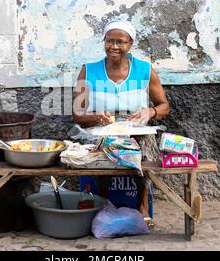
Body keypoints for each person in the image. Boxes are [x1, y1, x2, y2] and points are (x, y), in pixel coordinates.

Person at [72, 17, 170, 228]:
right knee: (102, 148)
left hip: (136, 128)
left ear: (130, 44)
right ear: (104, 42)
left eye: (120, 42)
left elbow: (164, 106)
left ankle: (142, 205)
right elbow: (77, 114)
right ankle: (102, 203)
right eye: (109, 41)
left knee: (144, 147)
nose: (114, 46)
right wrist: (97, 116)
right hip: (99, 129)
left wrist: (149, 111)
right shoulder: (88, 70)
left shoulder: (145, 70)